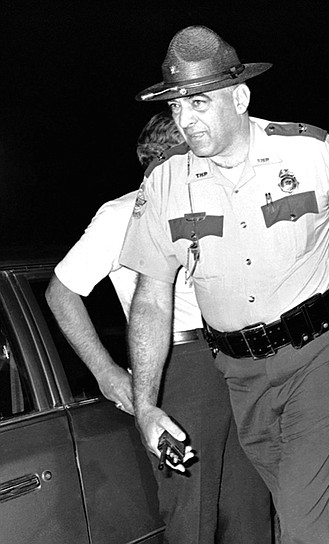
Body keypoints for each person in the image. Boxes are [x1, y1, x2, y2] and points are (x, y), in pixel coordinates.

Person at [119, 26, 329, 544]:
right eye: (177, 107)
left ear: (240, 97)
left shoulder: (306, 151)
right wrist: (145, 406)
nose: (186, 120)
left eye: (199, 102)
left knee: (303, 519)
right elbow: (151, 300)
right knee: (297, 499)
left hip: (324, 349)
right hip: (240, 374)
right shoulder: (164, 184)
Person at [46, 110, 272, 543]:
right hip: (178, 369)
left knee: (250, 507)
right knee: (192, 511)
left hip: (237, 357)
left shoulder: (210, 201)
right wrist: (107, 372)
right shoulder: (124, 212)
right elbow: (61, 292)